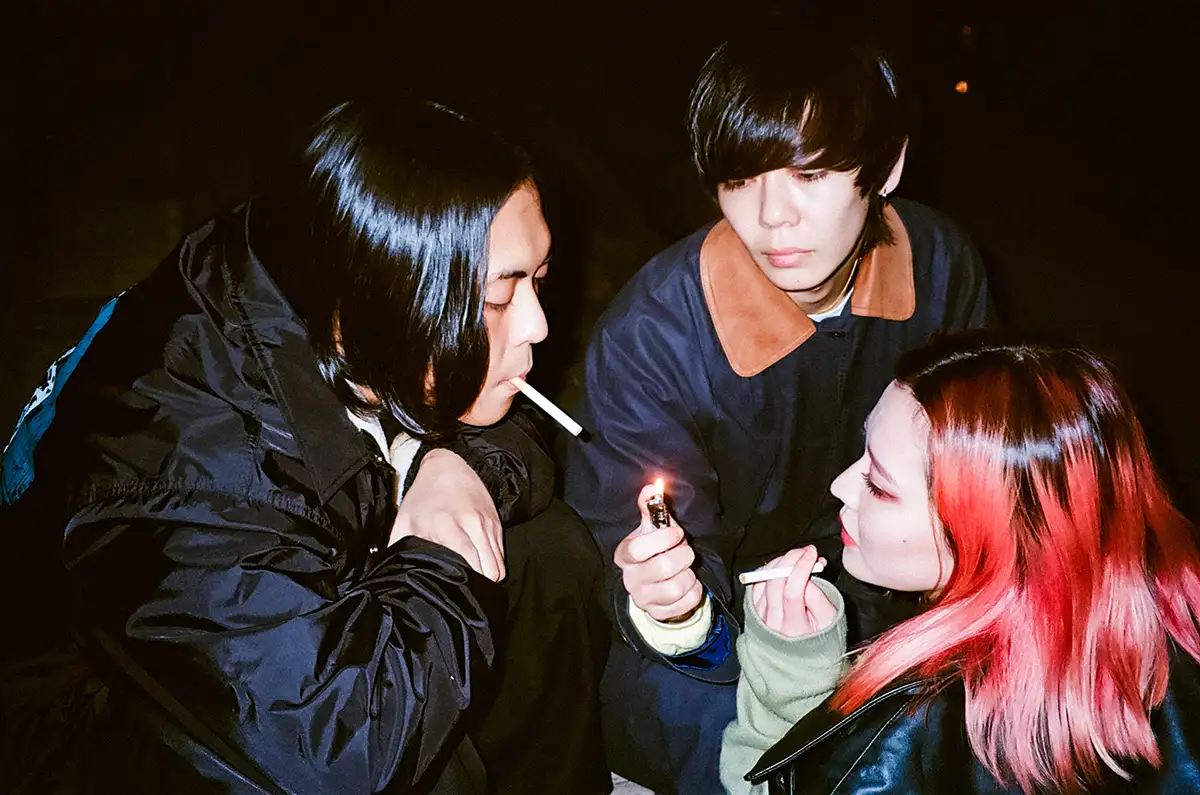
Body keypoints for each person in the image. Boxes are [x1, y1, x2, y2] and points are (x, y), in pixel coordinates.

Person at [0, 98, 610, 794]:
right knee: (435, 769)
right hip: (98, 729)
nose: (537, 325)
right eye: (499, 298)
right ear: (385, 298)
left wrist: (452, 463)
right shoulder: (198, 480)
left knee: (547, 551)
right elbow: (341, 750)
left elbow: (513, 430)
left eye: (538, 280)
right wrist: (437, 558)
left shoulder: (336, 272)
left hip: (287, 590)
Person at [563, 16, 990, 794]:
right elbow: (626, 552)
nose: (771, 218)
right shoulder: (652, 338)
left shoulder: (939, 264)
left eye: (809, 174)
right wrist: (675, 615)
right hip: (718, 648)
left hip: (898, 605)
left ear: (887, 166)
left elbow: (981, 482)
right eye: (740, 178)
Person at [720, 331, 1200, 795]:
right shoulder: (1176, 629)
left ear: (985, 532)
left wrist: (791, 685)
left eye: (879, 486)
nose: (841, 486)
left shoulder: (891, 746)